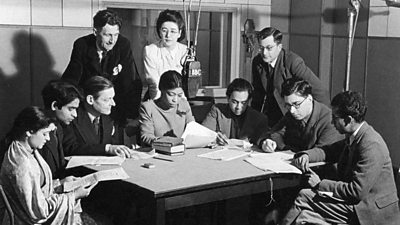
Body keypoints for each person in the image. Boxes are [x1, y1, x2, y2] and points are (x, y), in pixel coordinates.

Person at [281, 91, 400, 225]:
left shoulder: (371, 144)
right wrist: (306, 155)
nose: (332, 121)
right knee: (305, 215)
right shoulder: (355, 136)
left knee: (304, 197)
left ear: (348, 120)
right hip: (359, 205)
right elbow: (329, 151)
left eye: (335, 117)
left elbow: (356, 191)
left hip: (371, 213)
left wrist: (320, 184)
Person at [0, 106, 96, 225]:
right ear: (29, 132)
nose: (48, 138)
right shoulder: (21, 165)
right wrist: (74, 195)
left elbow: (38, 191)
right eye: (45, 134)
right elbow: (39, 212)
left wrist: (61, 183)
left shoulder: (24, 150)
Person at [62, 9, 142, 125]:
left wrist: (131, 115)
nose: (112, 41)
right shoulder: (82, 45)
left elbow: (129, 81)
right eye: (107, 35)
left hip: (115, 107)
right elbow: (72, 80)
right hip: (87, 106)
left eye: (115, 35)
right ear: (95, 32)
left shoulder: (123, 45)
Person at [251, 27, 330, 127]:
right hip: (274, 116)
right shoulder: (257, 62)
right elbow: (258, 95)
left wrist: (321, 121)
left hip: (295, 115)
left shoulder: (292, 62)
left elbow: (320, 91)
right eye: (261, 48)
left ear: (279, 47)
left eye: (269, 48)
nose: (264, 53)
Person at [258, 77, 342, 153]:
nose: (292, 110)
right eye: (288, 105)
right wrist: (265, 142)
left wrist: (283, 147)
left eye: (296, 104)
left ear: (309, 98)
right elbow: (273, 132)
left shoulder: (329, 119)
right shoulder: (292, 114)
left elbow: (321, 154)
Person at [62, 76, 134, 157]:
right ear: (90, 100)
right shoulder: (71, 117)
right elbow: (70, 148)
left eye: (112, 98)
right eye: (107, 100)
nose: (113, 103)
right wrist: (107, 148)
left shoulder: (108, 119)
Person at [202, 78, 269, 145]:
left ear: (249, 101)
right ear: (228, 98)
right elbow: (203, 134)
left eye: (243, 103)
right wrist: (215, 138)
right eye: (234, 102)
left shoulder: (259, 118)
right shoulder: (217, 111)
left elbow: (263, 141)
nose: (238, 107)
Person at [40, 80, 82, 179]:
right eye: (70, 109)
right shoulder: (40, 134)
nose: (75, 115)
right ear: (54, 106)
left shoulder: (58, 128)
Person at [139, 70, 194, 146]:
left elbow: (193, 129)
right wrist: (160, 142)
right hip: (157, 151)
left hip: (181, 149)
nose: (175, 99)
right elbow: (146, 135)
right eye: (171, 94)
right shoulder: (148, 107)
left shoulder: (183, 104)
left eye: (179, 95)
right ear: (161, 89)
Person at [143, 9, 187, 100]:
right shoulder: (150, 50)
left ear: (179, 33)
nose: (168, 35)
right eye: (164, 30)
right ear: (159, 31)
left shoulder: (185, 52)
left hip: (180, 99)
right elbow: (153, 83)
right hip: (156, 99)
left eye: (173, 31)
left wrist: (181, 104)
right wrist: (160, 107)